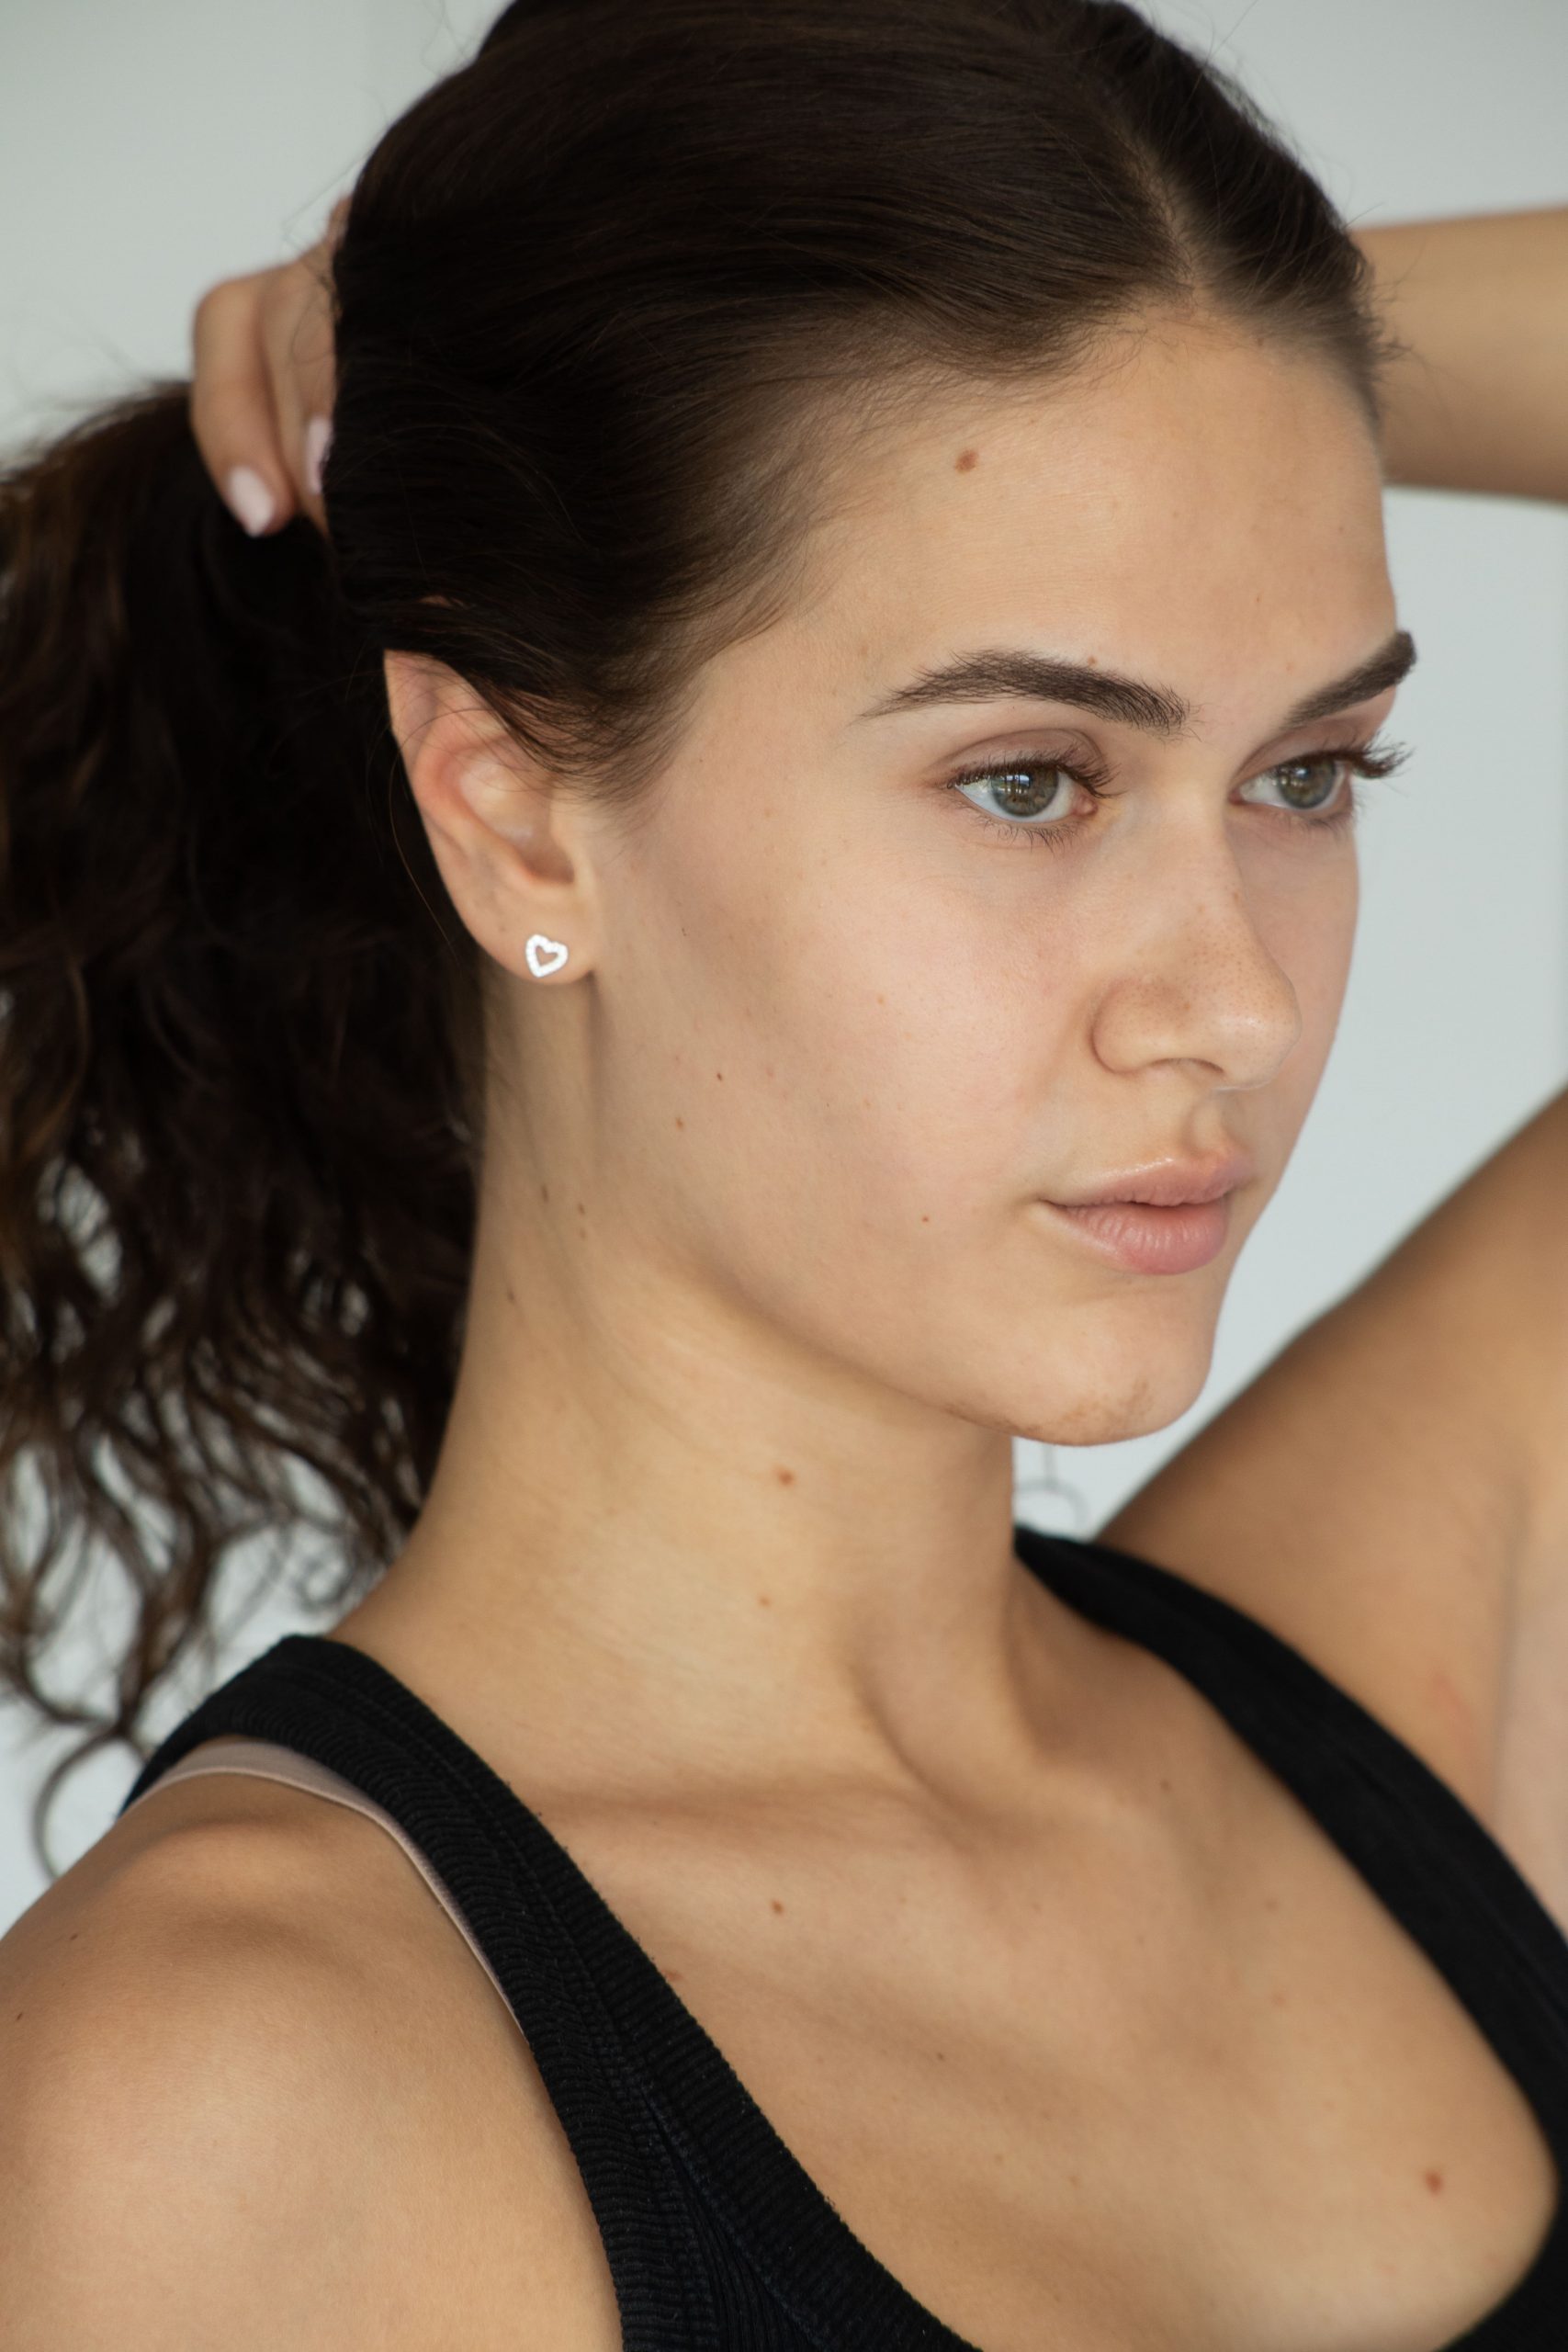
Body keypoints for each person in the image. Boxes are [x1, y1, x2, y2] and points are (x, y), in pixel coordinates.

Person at [0, 2, 1565, 2345]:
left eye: (1305, 773)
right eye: (1028, 780)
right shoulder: (232, 2094)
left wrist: (1272, 355)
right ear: (516, 809)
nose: (1232, 1000)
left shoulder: (1387, 1706)